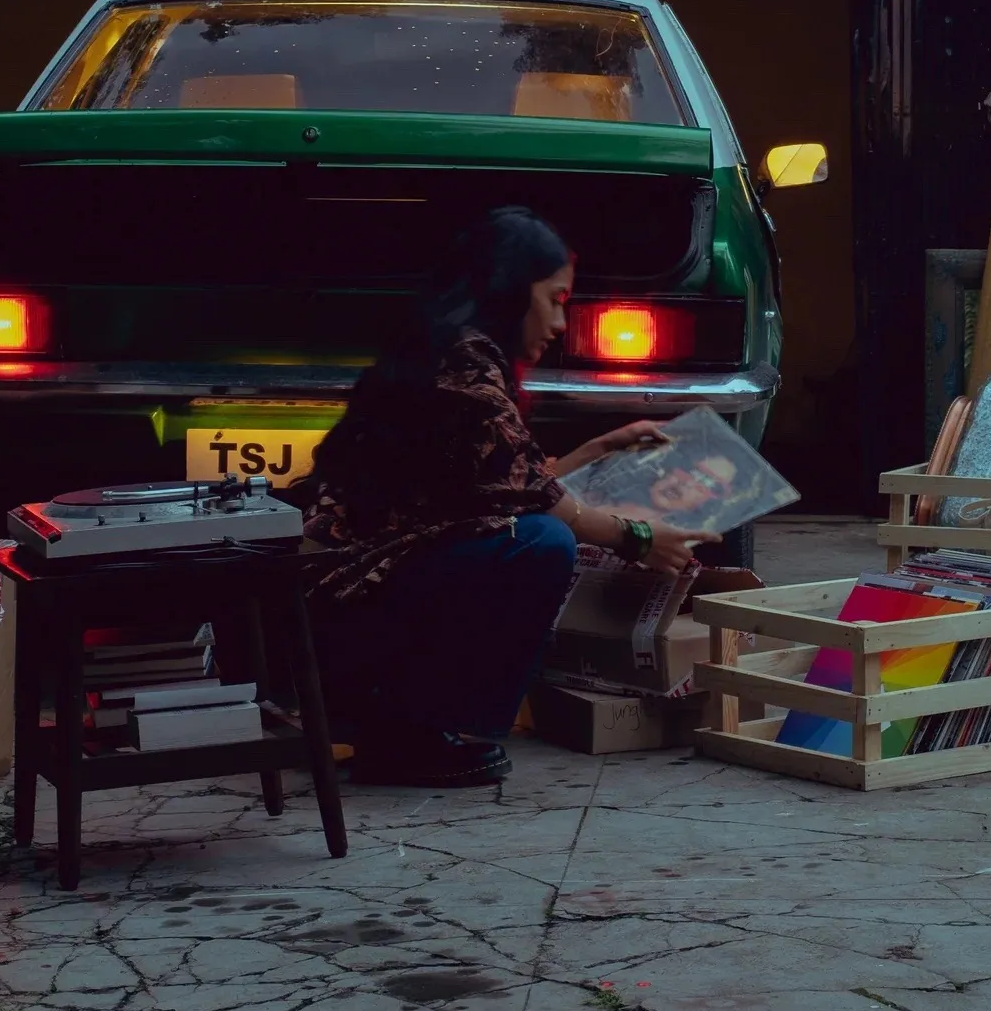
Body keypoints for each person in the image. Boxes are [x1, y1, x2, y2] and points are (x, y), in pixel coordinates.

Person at [302, 206, 715, 787]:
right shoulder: (463, 365)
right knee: (539, 544)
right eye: (555, 299)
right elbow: (532, 500)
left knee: (534, 529)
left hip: (355, 589)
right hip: (352, 596)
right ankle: (410, 732)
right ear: (511, 288)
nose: (559, 323)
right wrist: (637, 537)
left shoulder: (448, 349)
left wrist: (599, 449)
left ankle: (401, 722)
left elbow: (505, 480)